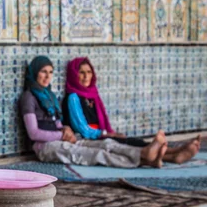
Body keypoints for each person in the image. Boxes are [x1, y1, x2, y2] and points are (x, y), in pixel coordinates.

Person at [20, 56, 168, 168]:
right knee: (95, 155)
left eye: (50, 72)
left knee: (107, 144)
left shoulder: (49, 95)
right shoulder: (29, 97)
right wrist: (62, 135)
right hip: (45, 147)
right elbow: (34, 133)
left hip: (62, 139)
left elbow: (56, 122)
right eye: (43, 72)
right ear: (35, 73)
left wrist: (65, 129)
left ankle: (148, 158)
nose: (47, 77)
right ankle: (144, 157)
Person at [63, 57, 200, 164]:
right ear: (74, 74)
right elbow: (82, 129)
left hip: (99, 135)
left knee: (130, 141)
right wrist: (108, 133)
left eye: (88, 72)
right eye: (81, 73)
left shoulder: (93, 95)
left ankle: (175, 152)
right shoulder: (73, 97)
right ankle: (173, 154)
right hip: (86, 138)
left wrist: (110, 133)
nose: (86, 76)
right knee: (121, 146)